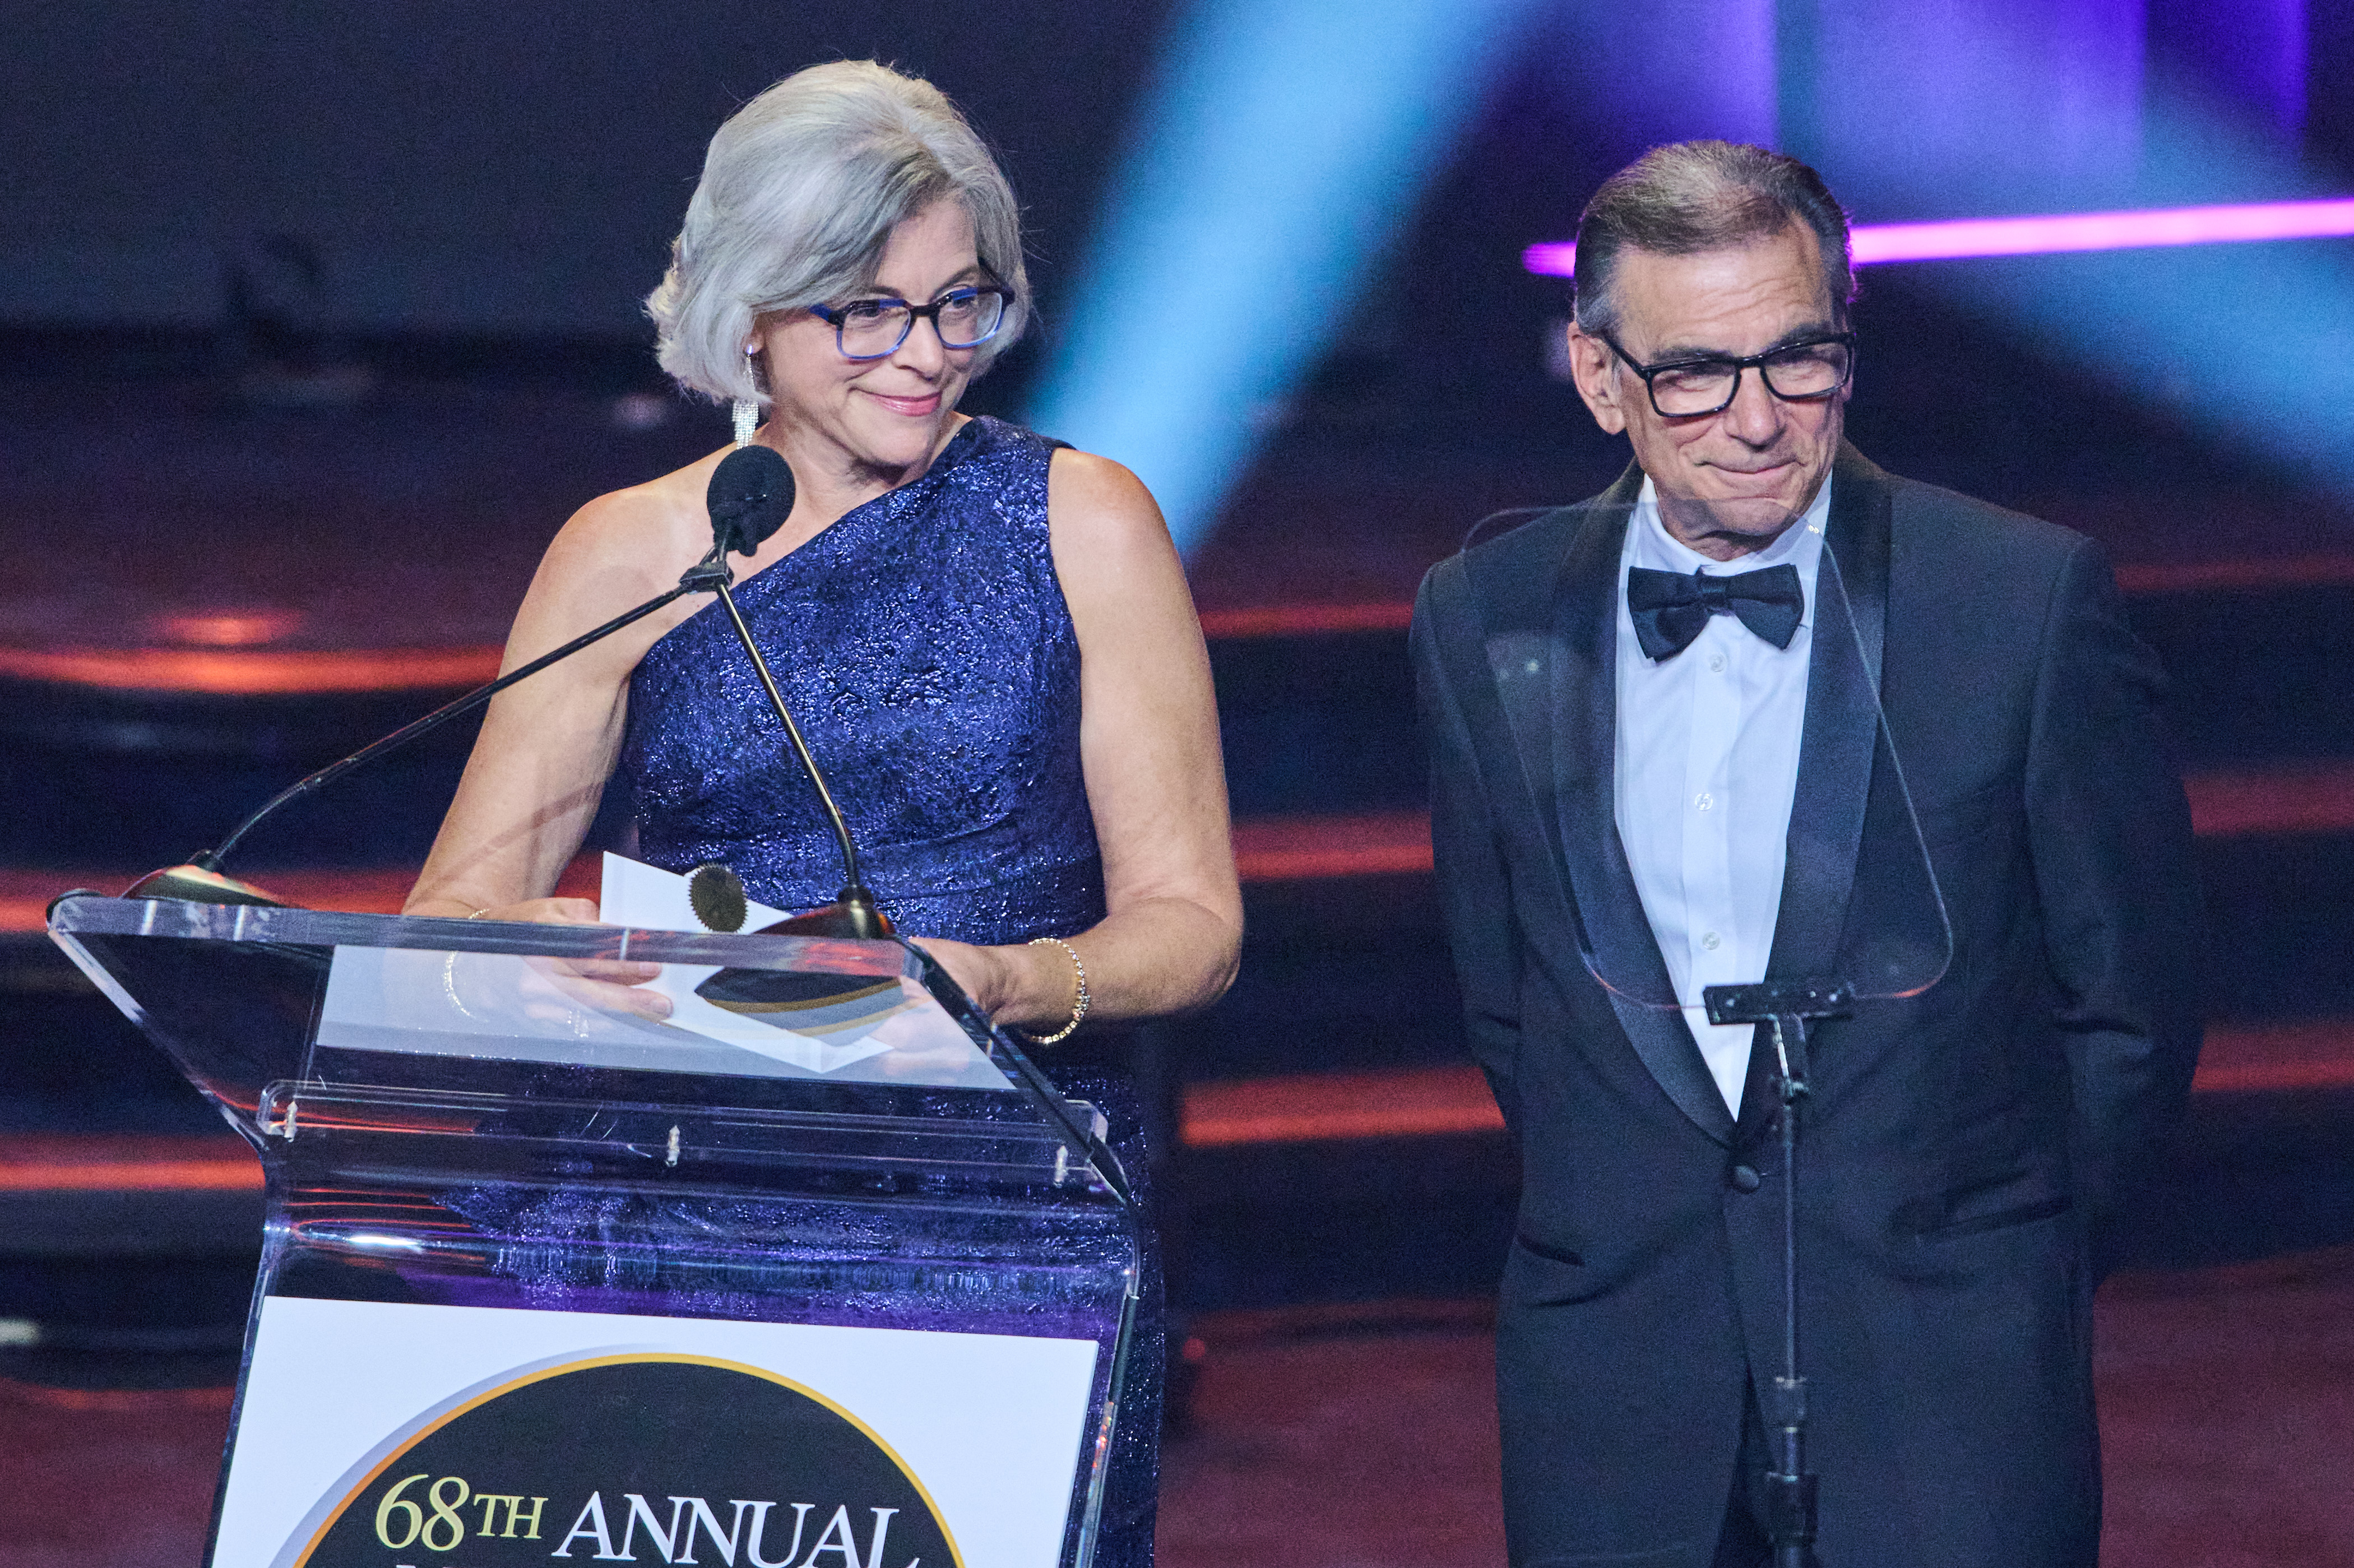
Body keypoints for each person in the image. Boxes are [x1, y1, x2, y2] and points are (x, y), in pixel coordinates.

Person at [404, 60, 1241, 1565]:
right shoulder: (630, 551)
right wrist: (547, 959)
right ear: (751, 314)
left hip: (997, 1207)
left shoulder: (1085, 520)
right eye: (868, 311)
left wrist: (1006, 979)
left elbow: (1193, 927)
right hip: (674, 1205)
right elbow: (448, 920)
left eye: (960, 303)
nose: (926, 354)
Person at [1411, 141, 2202, 1567]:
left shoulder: (2019, 599)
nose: (1759, 418)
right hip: (1620, 1374)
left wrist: (1996, 1256)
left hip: (1949, 1369)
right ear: (1600, 379)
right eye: (1696, 373)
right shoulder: (1483, 613)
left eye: (1800, 358)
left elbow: (2130, 1004)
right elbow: (1513, 1005)